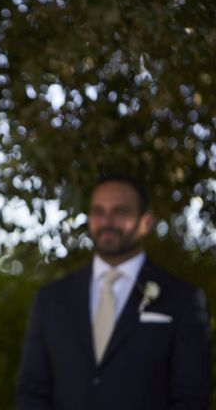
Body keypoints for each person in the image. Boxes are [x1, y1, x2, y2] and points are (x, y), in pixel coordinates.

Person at [16, 175, 211, 409]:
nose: (107, 221)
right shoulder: (51, 299)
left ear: (145, 221)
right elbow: (31, 390)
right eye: (98, 211)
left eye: (120, 212)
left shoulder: (183, 300)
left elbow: (191, 400)